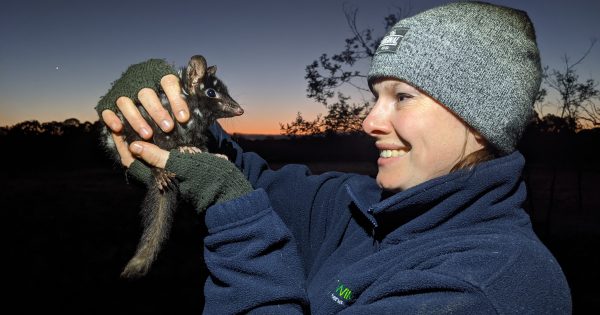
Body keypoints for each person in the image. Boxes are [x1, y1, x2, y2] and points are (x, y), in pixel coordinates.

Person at [97, 1, 571, 313]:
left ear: (478, 118)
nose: (370, 122)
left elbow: (240, 198)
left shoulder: (482, 287)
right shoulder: (355, 206)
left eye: (401, 97)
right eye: (375, 96)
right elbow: (253, 181)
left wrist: (238, 220)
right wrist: (167, 114)